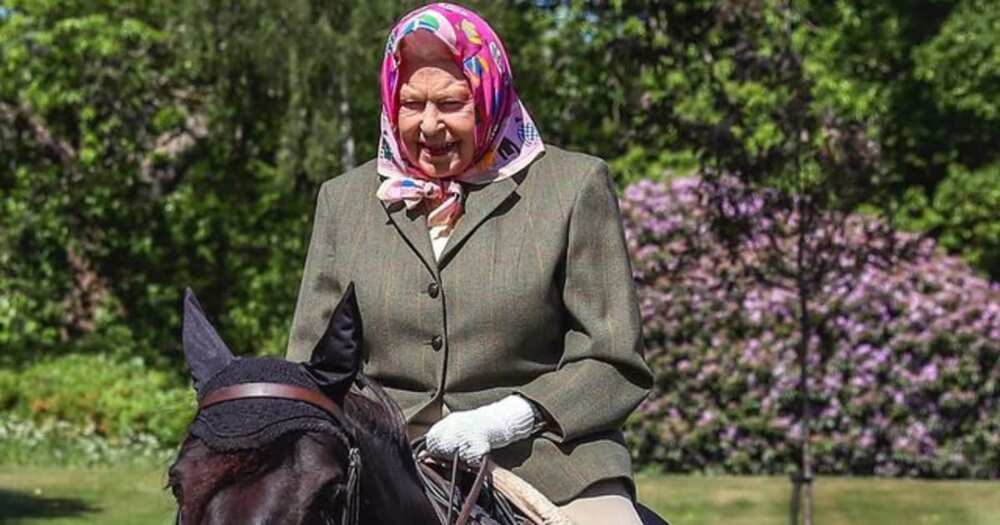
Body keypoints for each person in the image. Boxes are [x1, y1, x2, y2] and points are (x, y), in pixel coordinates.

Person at [286, 4, 653, 523]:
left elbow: (615, 361)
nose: (430, 125)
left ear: (489, 95)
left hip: (548, 460)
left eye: (452, 103)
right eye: (411, 104)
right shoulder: (343, 200)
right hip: (378, 464)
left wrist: (505, 421)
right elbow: (314, 363)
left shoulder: (574, 187)